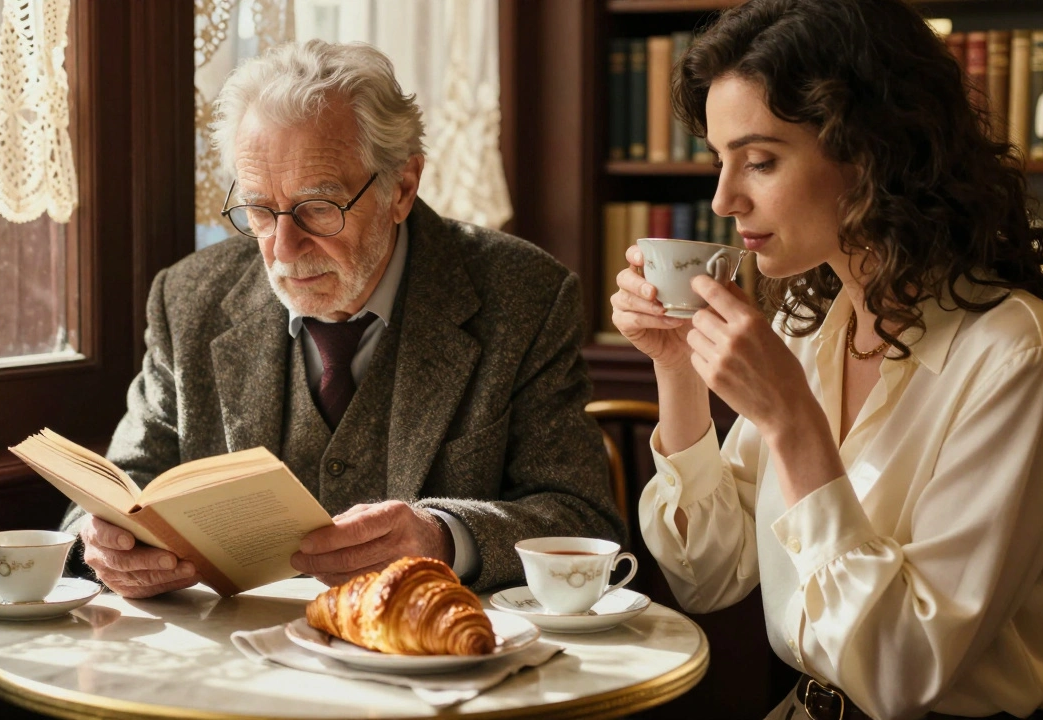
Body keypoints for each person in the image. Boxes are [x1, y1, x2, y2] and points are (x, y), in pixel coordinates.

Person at [610, 1, 1043, 719]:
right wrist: (676, 366)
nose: (725, 198)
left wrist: (792, 421)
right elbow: (710, 576)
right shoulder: (807, 329)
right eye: (721, 161)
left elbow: (902, 673)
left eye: (759, 160)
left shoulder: (1016, 358)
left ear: (871, 152)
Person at [65, 40, 626, 600]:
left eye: (317, 208)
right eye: (259, 209)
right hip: (235, 666)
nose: (284, 248)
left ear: (402, 188)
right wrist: (103, 545)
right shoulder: (189, 298)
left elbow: (583, 521)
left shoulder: (523, 295)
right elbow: (115, 492)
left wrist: (445, 537)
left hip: (432, 665)